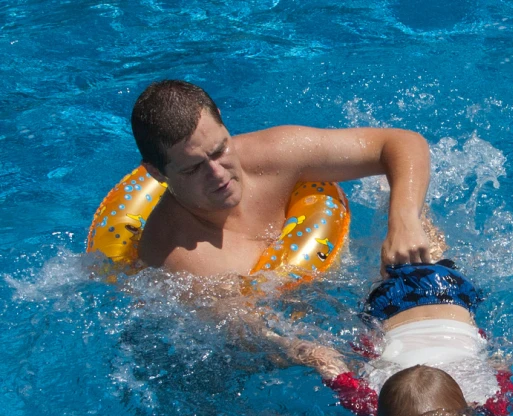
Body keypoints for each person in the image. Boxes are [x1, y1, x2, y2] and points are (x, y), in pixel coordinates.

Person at [130, 80, 433, 277]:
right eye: (193, 168)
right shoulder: (177, 258)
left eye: (220, 149)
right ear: (156, 172)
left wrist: (403, 220)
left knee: (426, 230)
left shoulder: (273, 154)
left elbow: (400, 143)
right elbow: (252, 339)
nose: (218, 173)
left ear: (222, 120)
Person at [284, 259, 513, 416]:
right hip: (387, 304)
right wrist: (279, 342)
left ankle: (424, 230)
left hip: (452, 291)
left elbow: (502, 366)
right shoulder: (367, 401)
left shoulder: (490, 403)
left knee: (430, 254)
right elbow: (322, 356)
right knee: (388, 273)